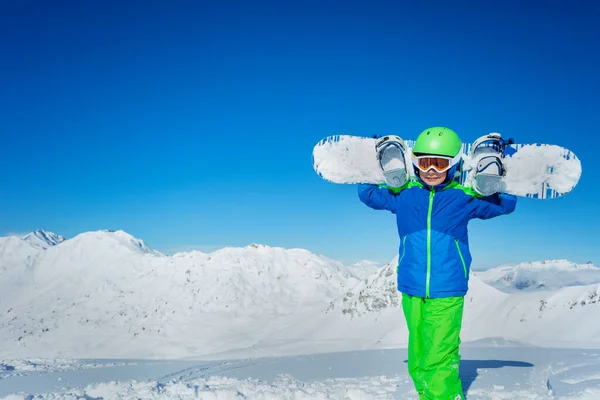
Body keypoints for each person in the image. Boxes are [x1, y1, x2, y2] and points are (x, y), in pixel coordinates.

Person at [358, 127, 517, 400]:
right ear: (414, 163)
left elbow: (505, 204)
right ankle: (427, 395)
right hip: (411, 286)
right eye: (424, 162)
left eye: (440, 163)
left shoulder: (463, 197)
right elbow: (368, 195)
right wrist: (381, 166)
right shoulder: (404, 194)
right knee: (418, 353)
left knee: (439, 355)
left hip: (447, 289)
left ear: (454, 164)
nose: (431, 169)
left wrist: (495, 170)